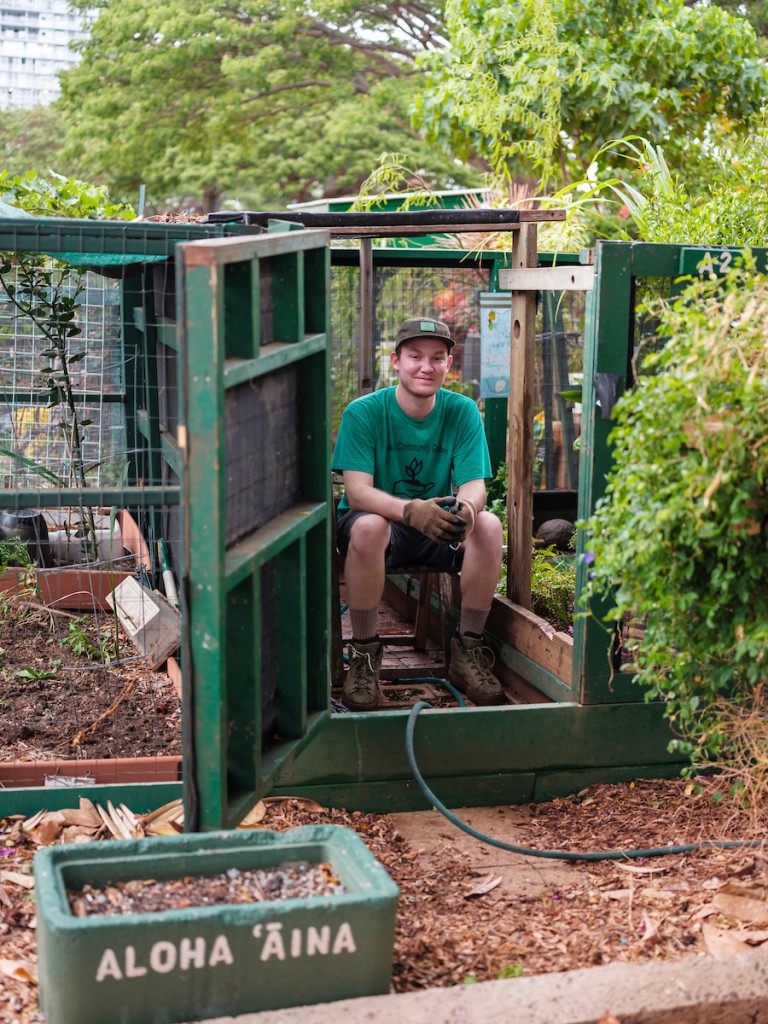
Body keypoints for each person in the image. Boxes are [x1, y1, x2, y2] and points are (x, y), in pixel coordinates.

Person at [332, 316, 505, 711]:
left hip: (436, 528)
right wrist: (410, 511)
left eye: (437, 358)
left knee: (489, 525)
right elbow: (357, 493)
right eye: (415, 356)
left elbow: (475, 485)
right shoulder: (364, 413)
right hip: (378, 529)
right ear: (396, 361)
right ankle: (364, 656)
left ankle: (468, 650)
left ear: (448, 364)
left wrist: (467, 508)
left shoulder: (462, 411)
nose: (426, 367)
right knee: (369, 527)